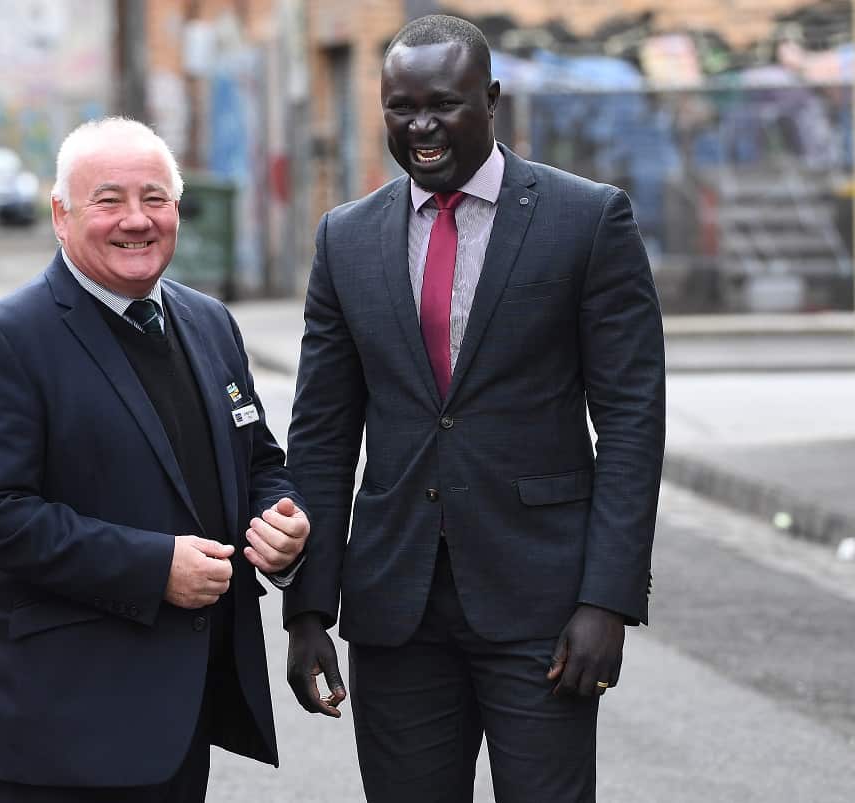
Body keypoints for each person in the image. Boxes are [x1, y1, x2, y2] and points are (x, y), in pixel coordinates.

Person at [284, 14, 665, 803]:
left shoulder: (587, 219)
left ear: (490, 100)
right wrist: (308, 607)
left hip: (543, 604)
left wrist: (608, 600)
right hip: (395, 606)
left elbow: (632, 418)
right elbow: (322, 433)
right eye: (401, 107)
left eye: (444, 104)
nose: (421, 126)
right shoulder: (344, 239)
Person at [0, 117, 310, 802]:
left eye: (154, 198)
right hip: (56, 725)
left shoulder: (208, 322)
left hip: (179, 715)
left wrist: (279, 521)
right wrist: (154, 566)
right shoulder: (4, 338)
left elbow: (259, 459)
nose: (136, 220)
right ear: (61, 215)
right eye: (108, 200)